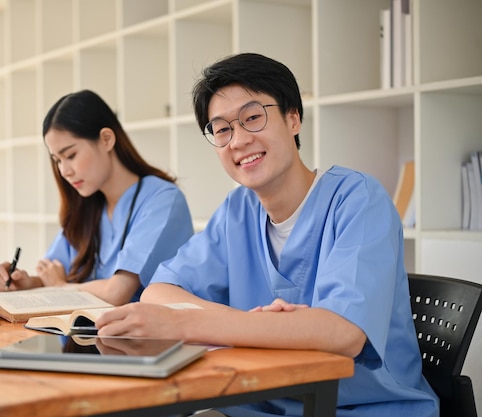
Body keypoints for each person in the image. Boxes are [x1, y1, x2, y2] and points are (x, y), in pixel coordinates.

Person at [94, 53, 439, 416]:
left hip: (364, 408)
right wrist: (267, 326)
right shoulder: (238, 210)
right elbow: (159, 292)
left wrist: (189, 322)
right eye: (222, 129)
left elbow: (344, 334)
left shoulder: (357, 199)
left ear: (293, 118)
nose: (238, 140)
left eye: (253, 118)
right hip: (264, 402)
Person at [0, 90, 194, 305]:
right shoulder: (88, 205)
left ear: (106, 139)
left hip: (144, 337)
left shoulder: (162, 200)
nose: (64, 171)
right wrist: (24, 284)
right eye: (57, 160)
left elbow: (117, 293)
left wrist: (60, 287)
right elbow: (50, 277)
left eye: (70, 155)